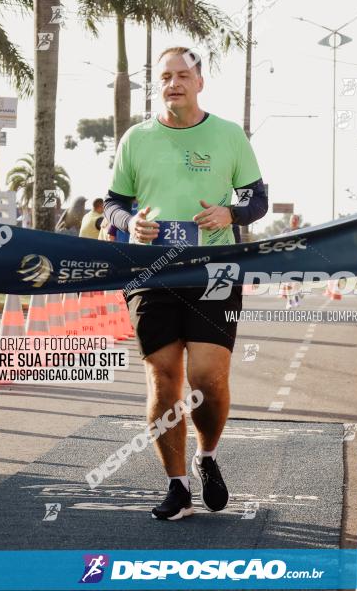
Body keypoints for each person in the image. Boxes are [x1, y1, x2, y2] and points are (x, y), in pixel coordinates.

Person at [104, 46, 267, 521]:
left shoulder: (229, 135)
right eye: (164, 77)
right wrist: (130, 223)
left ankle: (206, 456)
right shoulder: (136, 138)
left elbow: (257, 201)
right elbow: (114, 202)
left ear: (200, 81)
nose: (173, 83)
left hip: (215, 269)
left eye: (182, 75)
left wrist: (229, 213)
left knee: (208, 380)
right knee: (163, 376)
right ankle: (177, 486)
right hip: (152, 270)